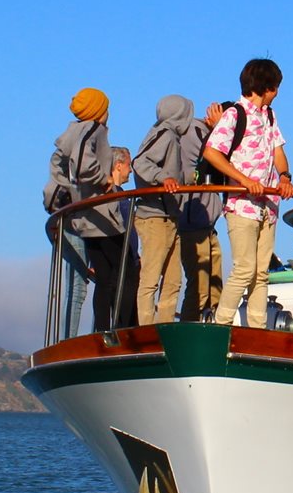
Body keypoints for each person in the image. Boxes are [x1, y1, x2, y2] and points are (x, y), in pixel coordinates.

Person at [203, 59, 293, 329]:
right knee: (244, 268)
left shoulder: (270, 115)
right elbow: (212, 151)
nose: (277, 92)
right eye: (275, 87)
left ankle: (256, 330)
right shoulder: (235, 114)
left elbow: (278, 150)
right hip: (242, 205)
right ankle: (220, 326)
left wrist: (285, 177)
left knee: (261, 272)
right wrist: (244, 181)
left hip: (268, 206)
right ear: (266, 86)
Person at [46, 87, 113, 338]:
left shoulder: (69, 135)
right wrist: (103, 180)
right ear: (99, 110)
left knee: (77, 282)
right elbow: (83, 165)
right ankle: (70, 341)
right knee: (79, 285)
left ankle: (67, 339)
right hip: (80, 217)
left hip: (67, 215)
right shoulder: (90, 131)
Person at [131, 95, 200, 325]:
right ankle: (148, 331)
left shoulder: (169, 137)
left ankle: (164, 329)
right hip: (155, 217)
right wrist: (163, 178)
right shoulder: (166, 135)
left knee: (173, 280)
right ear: (182, 114)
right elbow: (140, 163)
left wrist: (187, 178)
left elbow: (169, 173)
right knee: (151, 279)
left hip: (169, 216)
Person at [175, 103, 227, 321]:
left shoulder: (208, 134)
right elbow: (201, 165)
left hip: (208, 225)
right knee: (199, 284)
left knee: (215, 284)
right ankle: (190, 330)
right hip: (192, 222)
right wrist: (218, 131)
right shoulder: (193, 132)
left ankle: (213, 328)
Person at [83, 146, 140, 332]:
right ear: (118, 165)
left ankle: (102, 332)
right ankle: (123, 333)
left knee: (104, 283)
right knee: (120, 284)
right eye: (128, 165)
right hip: (119, 256)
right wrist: (133, 257)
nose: (130, 170)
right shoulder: (117, 197)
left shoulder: (104, 195)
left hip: (112, 253)